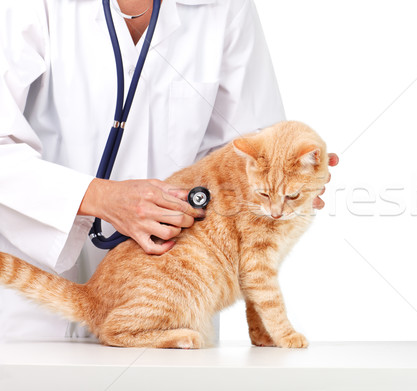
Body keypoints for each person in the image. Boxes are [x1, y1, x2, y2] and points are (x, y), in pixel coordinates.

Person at [0, 0, 337, 340]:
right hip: (38, 301)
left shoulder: (227, 7)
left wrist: (282, 181)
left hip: (176, 295)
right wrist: (99, 197)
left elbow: (249, 143)